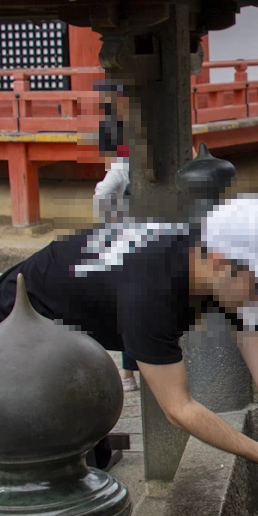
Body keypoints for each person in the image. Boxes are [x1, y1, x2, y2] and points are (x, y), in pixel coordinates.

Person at [0, 195, 258, 513]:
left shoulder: (224, 264)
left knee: (89, 463)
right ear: (218, 262)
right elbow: (179, 409)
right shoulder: (153, 292)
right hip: (15, 328)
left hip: (73, 333)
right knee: (47, 488)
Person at [92, 115, 138, 392]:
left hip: (128, 242)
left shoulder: (121, 164)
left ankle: (129, 373)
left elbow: (101, 194)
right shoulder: (128, 163)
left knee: (129, 307)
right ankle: (130, 370)